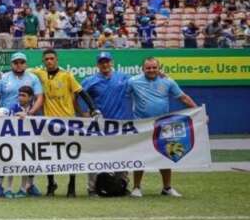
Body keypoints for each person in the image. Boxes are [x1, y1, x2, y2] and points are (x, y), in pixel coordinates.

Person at [126, 57, 198, 198]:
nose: (151, 70)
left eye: (154, 67)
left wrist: (198, 112)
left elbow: (183, 97)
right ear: (143, 69)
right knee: (140, 156)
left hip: (163, 125)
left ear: (159, 68)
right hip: (142, 125)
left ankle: (167, 188)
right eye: (148, 68)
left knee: (166, 155)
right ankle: (136, 188)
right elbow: (122, 96)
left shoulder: (168, 81)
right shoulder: (133, 81)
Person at [33, 49, 98, 197]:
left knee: (71, 154)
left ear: (57, 60)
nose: (49, 61)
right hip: (49, 122)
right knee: (49, 155)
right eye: (46, 59)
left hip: (68, 121)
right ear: (43, 61)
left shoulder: (67, 75)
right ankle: (51, 184)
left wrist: (93, 108)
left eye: (52, 58)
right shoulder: (40, 74)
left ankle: (71, 185)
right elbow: (22, 69)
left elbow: (81, 93)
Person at [0, 52, 44, 198]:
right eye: (15, 62)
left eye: (21, 62)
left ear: (25, 64)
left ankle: (29, 185)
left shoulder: (33, 78)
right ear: (11, 64)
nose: (19, 65)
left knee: (29, 154)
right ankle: (0, 185)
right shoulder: (3, 78)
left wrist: (30, 113)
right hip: (6, 122)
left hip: (27, 122)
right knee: (4, 154)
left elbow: (39, 98)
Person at [81, 52, 133, 196]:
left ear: (112, 62)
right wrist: (83, 112)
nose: (105, 64)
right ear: (97, 64)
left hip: (120, 124)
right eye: (101, 62)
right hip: (99, 126)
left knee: (122, 156)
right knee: (95, 156)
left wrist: (162, 76)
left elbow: (142, 82)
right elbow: (77, 95)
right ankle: (92, 188)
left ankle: (121, 185)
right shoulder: (90, 80)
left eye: (107, 61)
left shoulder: (124, 78)